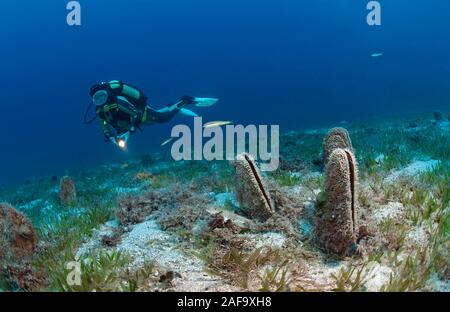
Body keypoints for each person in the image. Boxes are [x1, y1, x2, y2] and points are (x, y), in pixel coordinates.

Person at [88, 80, 218, 148]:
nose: (101, 100)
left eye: (102, 96)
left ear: (107, 93)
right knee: (155, 118)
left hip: (142, 114)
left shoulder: (119, 103)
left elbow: (136, 115)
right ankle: (170, 106)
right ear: (93, 101)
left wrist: (129, 132)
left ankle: (184, 101)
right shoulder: (99, 111)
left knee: (164, 118)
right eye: (97, 99)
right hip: (134, 123)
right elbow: (103, 123)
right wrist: (109, 136)